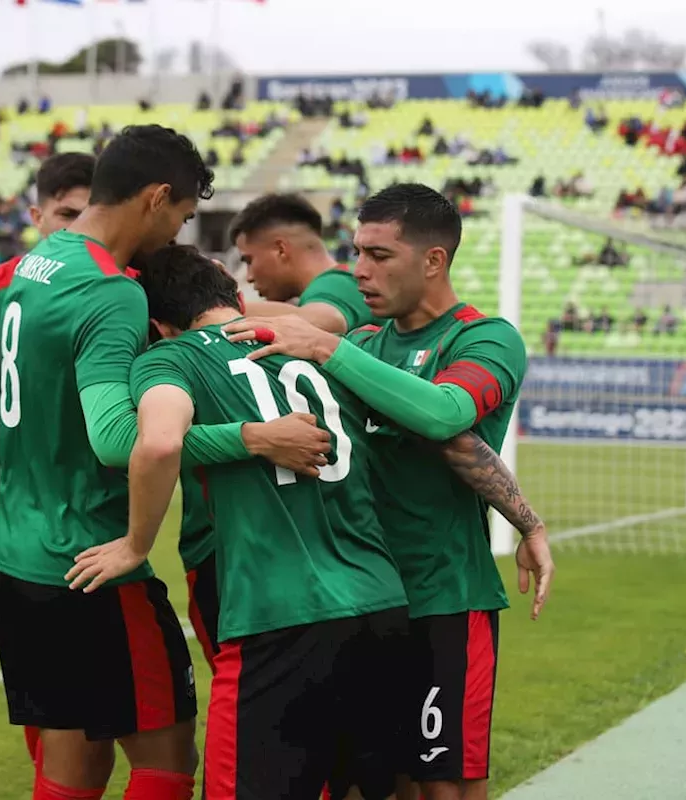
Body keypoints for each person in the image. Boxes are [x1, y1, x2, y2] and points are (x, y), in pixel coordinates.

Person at [0, 124, 331, 800]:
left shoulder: (36, 262)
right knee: (167, 760)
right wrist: (255, 437)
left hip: (15, 551)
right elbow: (123, 441)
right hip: (91, 555)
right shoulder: (111, 292)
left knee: (73, 765)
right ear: (157, 196)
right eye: (182, 214)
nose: (178, 231)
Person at [226, 183, 553, 800]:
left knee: (441, 789)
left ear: (433, 260)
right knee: (365, 784)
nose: (359, 271)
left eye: (379, 255)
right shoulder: (368, 346)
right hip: (361, 605)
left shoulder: (484, 339)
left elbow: (447, 418)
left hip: (442, 598)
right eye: (356, 252)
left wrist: (326, 346)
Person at [66, 245, 409, 800]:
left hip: (280, 615)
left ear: (158, 323)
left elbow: (156, 444)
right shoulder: (318, 349)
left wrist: (134, 545)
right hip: (382, 604)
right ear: (234, 294)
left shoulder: (171, 358)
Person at [0, 151, 97, 768]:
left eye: (85, 216)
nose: (74, 229)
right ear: (36, 214)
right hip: (13, 522)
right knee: (41, 693)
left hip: (97, 522)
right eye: (64, 215)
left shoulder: (119, 285)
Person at [230, 192, 373, 334]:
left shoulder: (334, 284)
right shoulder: (336, 284)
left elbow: (322, 321)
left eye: (249, 261)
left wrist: (220, 308)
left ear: (281, 250)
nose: (249, 277)